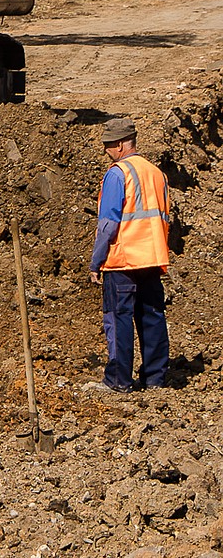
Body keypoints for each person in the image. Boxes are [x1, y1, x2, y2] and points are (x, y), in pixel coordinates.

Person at [89, 117, 172, 392]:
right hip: (152, 257)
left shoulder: (118, 173)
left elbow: (109, 224)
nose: (106, 151)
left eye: (110, 145)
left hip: (123, 260)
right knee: (152, 317)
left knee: (118, 318)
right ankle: (155, 379)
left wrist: (96, 260)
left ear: (123, 144)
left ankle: (118, 381)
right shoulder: (156, 173)